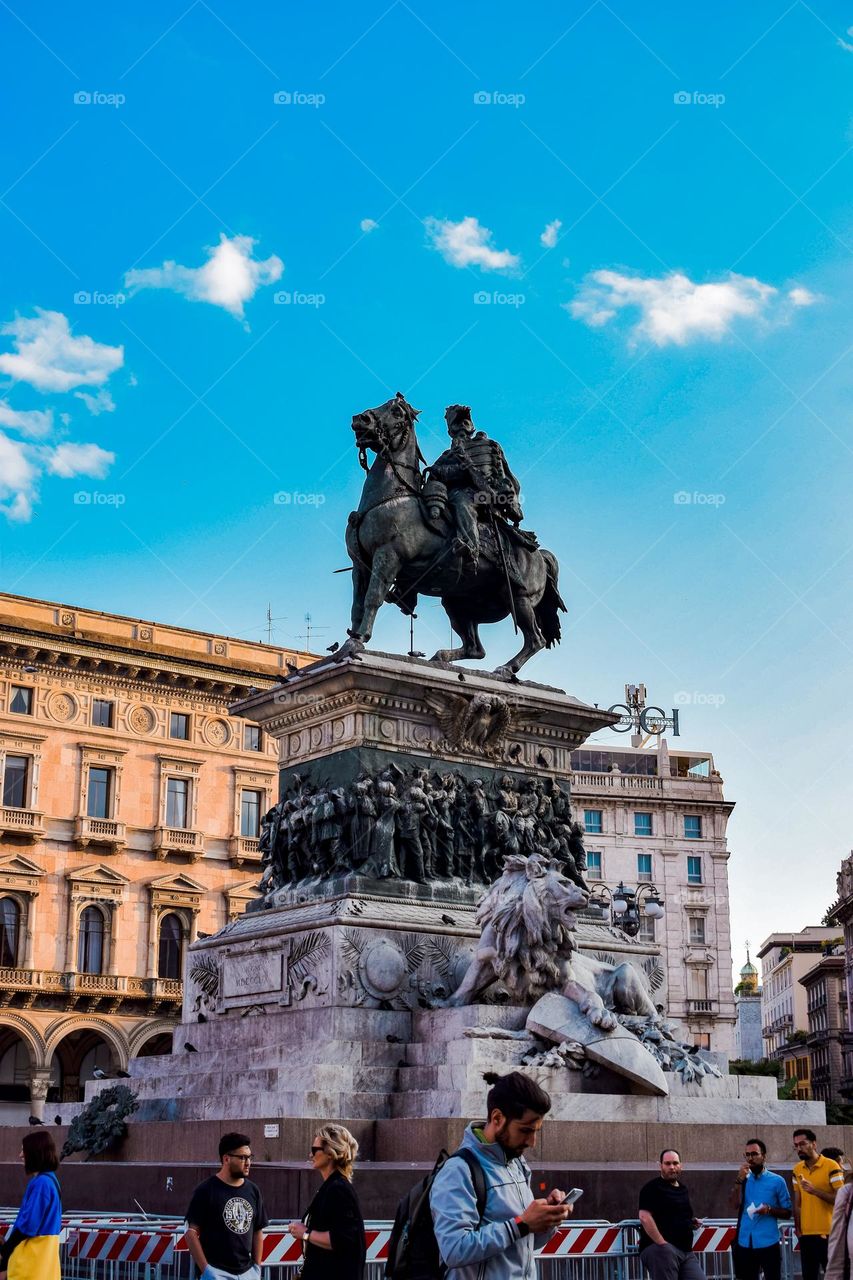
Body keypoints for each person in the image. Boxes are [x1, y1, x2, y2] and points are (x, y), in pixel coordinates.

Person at [430, 1069, 572, 1278]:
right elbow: (454, 1250)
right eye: (525, 1130)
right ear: (497, 1118)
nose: (532, 1142)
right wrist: (521, 1224)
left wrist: (547, 1220)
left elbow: (524, 1244)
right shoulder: (459, 1170)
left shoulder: (517, 1165)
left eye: (536, 1131)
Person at [286, 1125, 365, 1279]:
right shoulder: (332, 1187)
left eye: (315, 1150)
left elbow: (342, 1238)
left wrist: (305, 1233)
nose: (310, 1154)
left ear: (330, 1153)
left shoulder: (338, 1189)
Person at [185, 1132, 267, 1280]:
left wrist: (256, 1268)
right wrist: (207, 1271)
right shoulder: (206, 1190)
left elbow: (257, 1231)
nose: (248, 1163)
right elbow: (191, 1233)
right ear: (226, 1159)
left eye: (250, 1157)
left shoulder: (253, 1190)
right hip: (217, 1272)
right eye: (242, 1158)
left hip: (248, 1272)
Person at [0, 1129, 61, 1279]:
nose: (20, 1155)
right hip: (44, 1267)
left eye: (24, 1151)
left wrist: (5, 1251)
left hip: (30, 1267)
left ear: (35, 1153)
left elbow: (28, 1225)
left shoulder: (41, 1183)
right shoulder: (50, 1180)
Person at [729, 1137, 792, 1280]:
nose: (750, 1158)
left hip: (768, 1242)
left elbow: (787, 1212)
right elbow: (733, 1205)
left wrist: (769, 1210)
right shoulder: (744, 1179)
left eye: (754, 1154)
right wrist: (738, 1180)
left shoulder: (777, 1181)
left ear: (764, 1156)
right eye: (747, 1155)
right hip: (745, 1242)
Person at [638, 1149, 705, 1280]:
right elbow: (644, 1217)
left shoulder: (683, 1189)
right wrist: (662, 1244)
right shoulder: (652, 1187)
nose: (672, 1167)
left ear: (681, 1165)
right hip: (661, 1250)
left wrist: (691, 1223)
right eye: (667, 1163)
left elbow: (676, 1214)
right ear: (660, 1166)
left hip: (685, 1252)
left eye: (675, 1163)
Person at [793, 1127, 844, 1280]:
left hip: (830, 1234)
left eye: (802, 1144)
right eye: (796, 1145)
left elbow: (841, 1200)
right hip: (807, 1235)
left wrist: (815, 1191)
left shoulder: (832, 1166)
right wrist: (798, 1228)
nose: (799, 1148)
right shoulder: (797, 1169)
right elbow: (798, 1202)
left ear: (814, 1144)